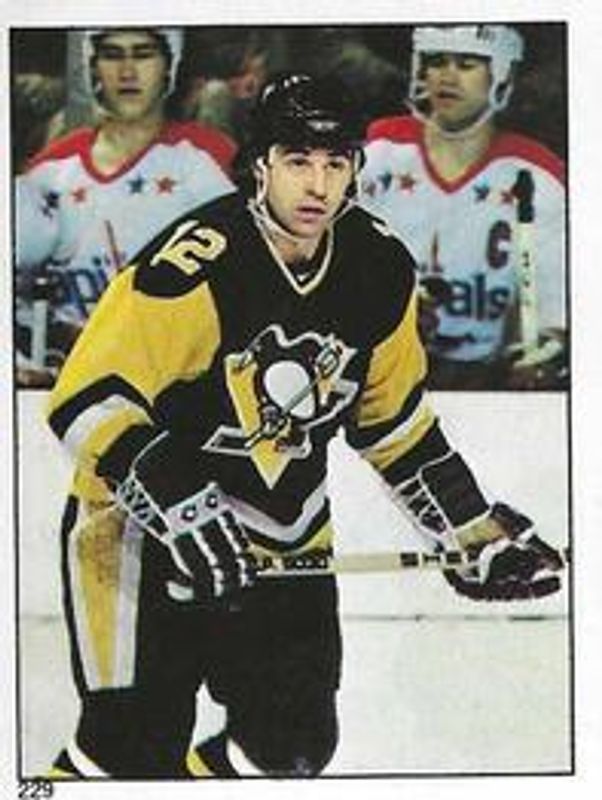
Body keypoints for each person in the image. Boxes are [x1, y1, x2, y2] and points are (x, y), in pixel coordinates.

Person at [45, 73, 564, 779]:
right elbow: (85, 398)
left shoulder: (378, 266)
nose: (318, 185)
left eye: (335, 163)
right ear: (260, 165)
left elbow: (395, 426)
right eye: (297, 161)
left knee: (287, 747)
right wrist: (176, 498)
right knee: (129, 751)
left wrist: (470, 532)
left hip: (285, 532)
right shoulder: (197, 264)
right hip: (143, 536)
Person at [15, 27, 237, 387]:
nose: (128, 71)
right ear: (92, 67)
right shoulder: (49, 172)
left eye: (143, 54)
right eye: (113, 55)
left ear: (169, 65)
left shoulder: (205, 163)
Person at [359, 24, 567, 390]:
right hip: (377, 371)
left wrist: (544, 350)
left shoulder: (538, 175)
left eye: (467, 64)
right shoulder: (377, 153)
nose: (448, 76)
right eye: (437, 61)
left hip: (482, 380)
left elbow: (555, 313)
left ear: (503, 74)